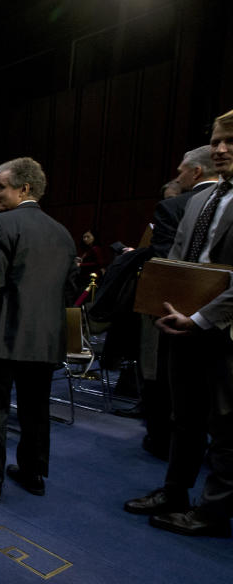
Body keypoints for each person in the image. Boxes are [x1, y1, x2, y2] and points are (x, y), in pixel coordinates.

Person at [130, 109, 233, 538]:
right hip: (181, 325)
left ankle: (212, 512)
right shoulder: (200, 198)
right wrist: (162, 303)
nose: (221, 148)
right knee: (183, 418)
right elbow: (179, 261)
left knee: (226, 426)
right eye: (216, 140)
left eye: (231, 140)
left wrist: (201, 318)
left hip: (224, 332)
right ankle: (175, 491)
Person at [0, 157, 77, 503]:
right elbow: (70, 291)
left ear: (24, 188)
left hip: (0, 337)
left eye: (0, 186)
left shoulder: (1, 225)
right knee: (35, 411)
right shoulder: (62, 232)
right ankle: (33, 475)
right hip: (44, 339)